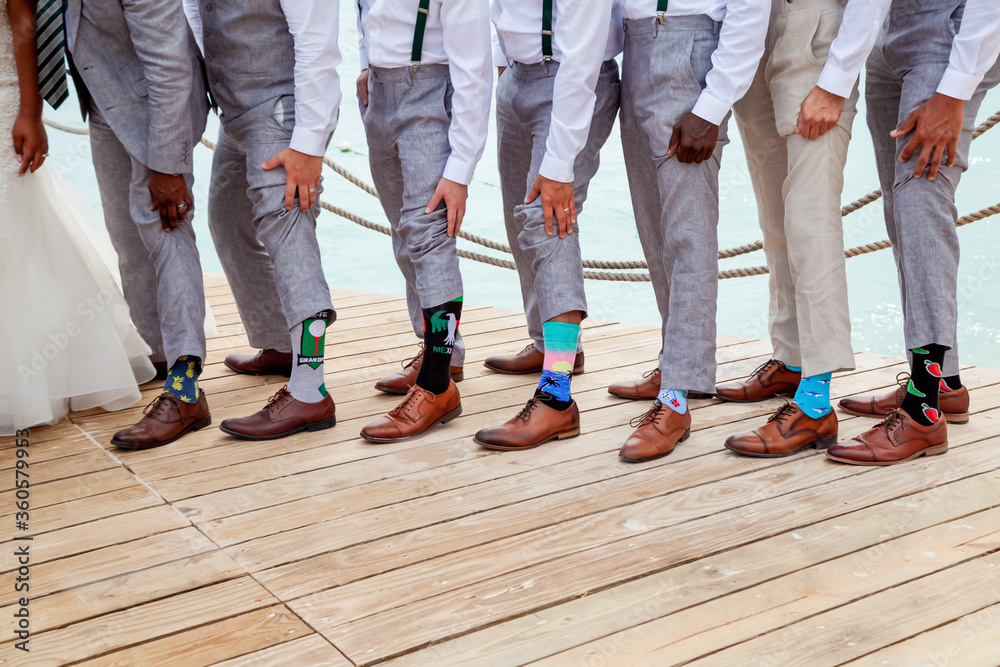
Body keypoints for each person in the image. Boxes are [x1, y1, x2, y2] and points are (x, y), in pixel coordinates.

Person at [827, 0, 1000, 465]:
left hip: (947, 37)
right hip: (889, 33)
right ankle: (944, 382)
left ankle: (922, 410)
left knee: (922, 200)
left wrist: (955, 90)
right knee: (901, 206)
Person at [613, 0, 768, 463]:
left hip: (690, 54)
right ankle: (673, 363)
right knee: (654, 230)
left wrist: (714, 104)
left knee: (688, 236)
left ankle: (678, 398)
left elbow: (749, 8)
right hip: (635, 49)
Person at [184, 0, 341, 440]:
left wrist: (310, 143)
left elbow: (318, 43)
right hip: (234, 112)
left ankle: (310, 391)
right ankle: (280, 344)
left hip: (278, 112)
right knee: (227, 220)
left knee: (290, 233)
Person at [720, 0, 871, 458]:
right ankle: (790, 360)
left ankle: (815, 402)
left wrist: (837, 79)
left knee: (811, 224)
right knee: (776, 221)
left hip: (816, 33)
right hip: (753, 35)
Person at [60, 0, 212, 449]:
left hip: (158, 112)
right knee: (127, 239)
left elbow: (169, 64)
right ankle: (160, 357)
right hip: (106, 102)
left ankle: (186, 390)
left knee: (168, 233)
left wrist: (168, 166)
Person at [0, 0, 156, 436]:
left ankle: (31, 375)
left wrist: (30, 112)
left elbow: (23, 18)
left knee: (13, 227)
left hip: (2, 94)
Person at [471, 0, 621, 451]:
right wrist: (504, 63)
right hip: (517, 78)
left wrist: (560, 164)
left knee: (547, 221)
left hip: (573, 82)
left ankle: (556, 398)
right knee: (520, 221)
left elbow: (584, 53)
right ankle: (552, 344)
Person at [354, 0, 492, 442]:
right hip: (380, 94)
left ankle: (436, 385)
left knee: (429, 236)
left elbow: (475, 72)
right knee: (404, 235)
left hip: (428, 92)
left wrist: (460, 171)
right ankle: (443, 353)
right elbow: (365, 15)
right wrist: (366, 64)